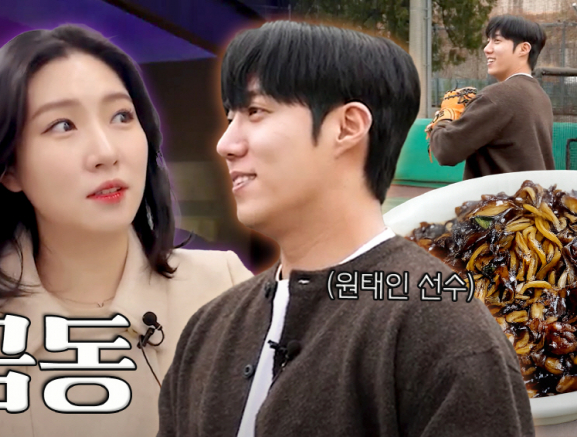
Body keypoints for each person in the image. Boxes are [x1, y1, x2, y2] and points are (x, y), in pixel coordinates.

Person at [158, 21, 534, 437]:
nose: (226, 143)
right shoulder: (209, 328)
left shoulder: (444, 332)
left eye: (255, 112)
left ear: (348, 126)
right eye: (231, 117)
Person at [0, 24, 252, 437]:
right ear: (9, 168)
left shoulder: (224, 290)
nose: (106, 152)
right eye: (63, 125)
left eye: (121, 116)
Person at [427, 14, 553, 179]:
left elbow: (446, 150)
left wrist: (444, 118)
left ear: (523, 49)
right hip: (533, 193)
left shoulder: (497, 97)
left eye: (497, 41)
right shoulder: (541, 96)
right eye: (488, 41)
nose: (487, 49)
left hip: (502, 195)